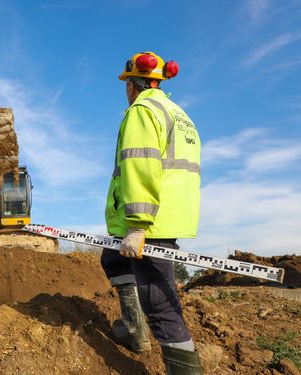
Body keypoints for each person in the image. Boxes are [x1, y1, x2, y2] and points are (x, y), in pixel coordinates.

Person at [103, 51, 202, 374]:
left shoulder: (142, 111)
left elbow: (140, 166)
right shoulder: (179, 114)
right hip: (168, 217)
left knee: (159, 305)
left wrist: (138, 225)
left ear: (133, 85)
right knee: (113, 257)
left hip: (151, 223)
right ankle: (134, 330)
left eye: (125, 86)